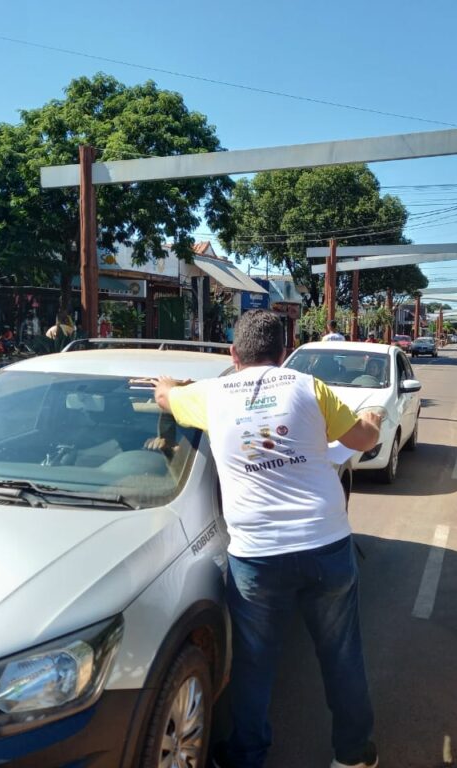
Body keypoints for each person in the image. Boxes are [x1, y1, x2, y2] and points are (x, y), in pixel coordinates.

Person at [154, 310, 383, 768]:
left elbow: (165, 398)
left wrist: (171, 386)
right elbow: (362, 438)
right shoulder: (307, 387)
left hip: (257, 558)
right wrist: (373, 416)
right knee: (342, 656)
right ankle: (354, 755)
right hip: (326, 545)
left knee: (255, 664)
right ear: (283, 354)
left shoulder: (212, 395)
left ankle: (246, 757)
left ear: (233, 354)